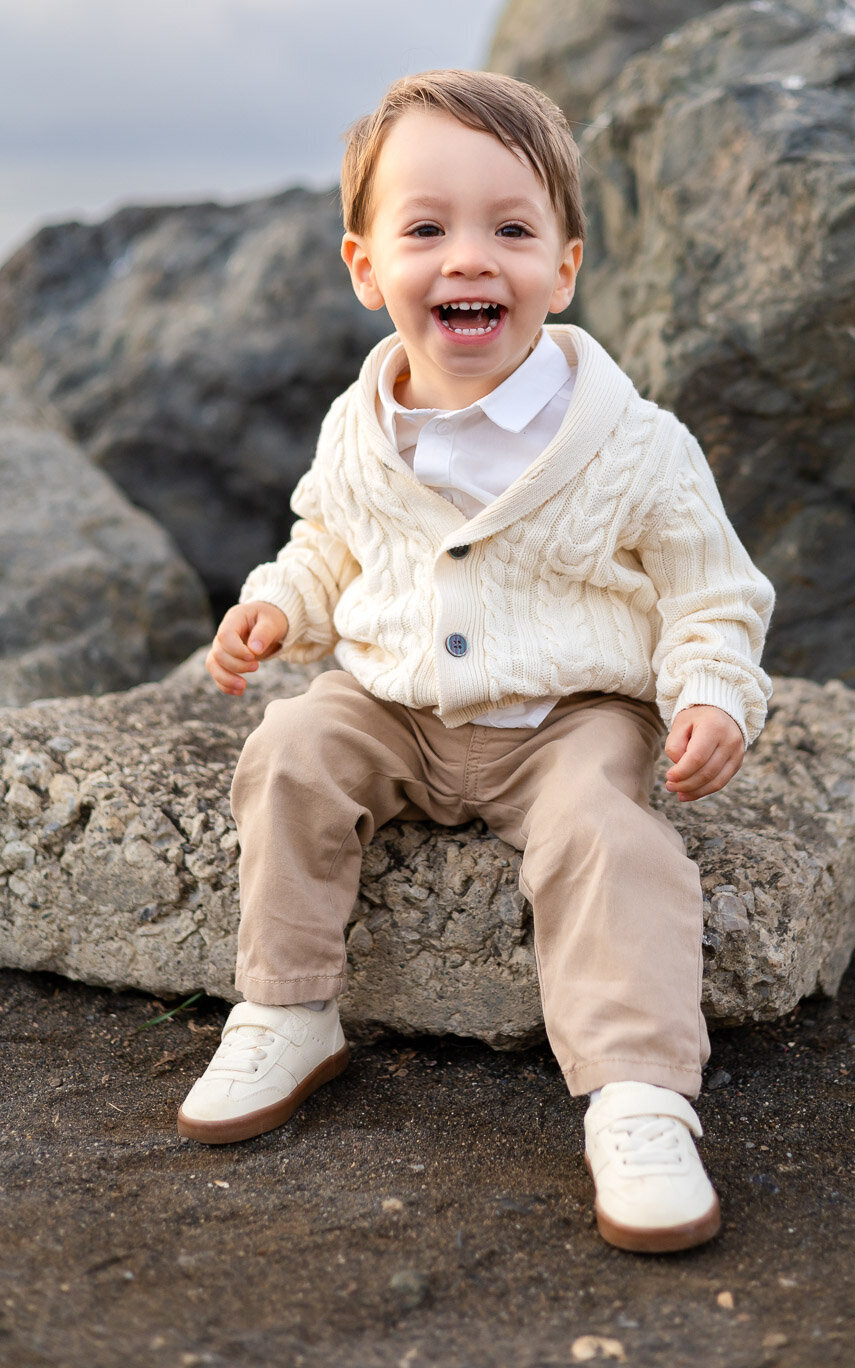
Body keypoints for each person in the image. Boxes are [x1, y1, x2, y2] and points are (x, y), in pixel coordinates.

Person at [177, 69, 774, 1254]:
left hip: (567, 717)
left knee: (607, 837)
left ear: (563, 267)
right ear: (363, 268)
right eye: (425, 228)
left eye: (509, 229)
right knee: (291, 748)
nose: (468, 258)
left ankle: (636, 1094)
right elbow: (327, 545)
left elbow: (711, 591)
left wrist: (710, 693)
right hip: (391, 702)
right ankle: (286, 1008)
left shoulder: (634, 445)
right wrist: (272, 608)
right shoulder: (362, 424)